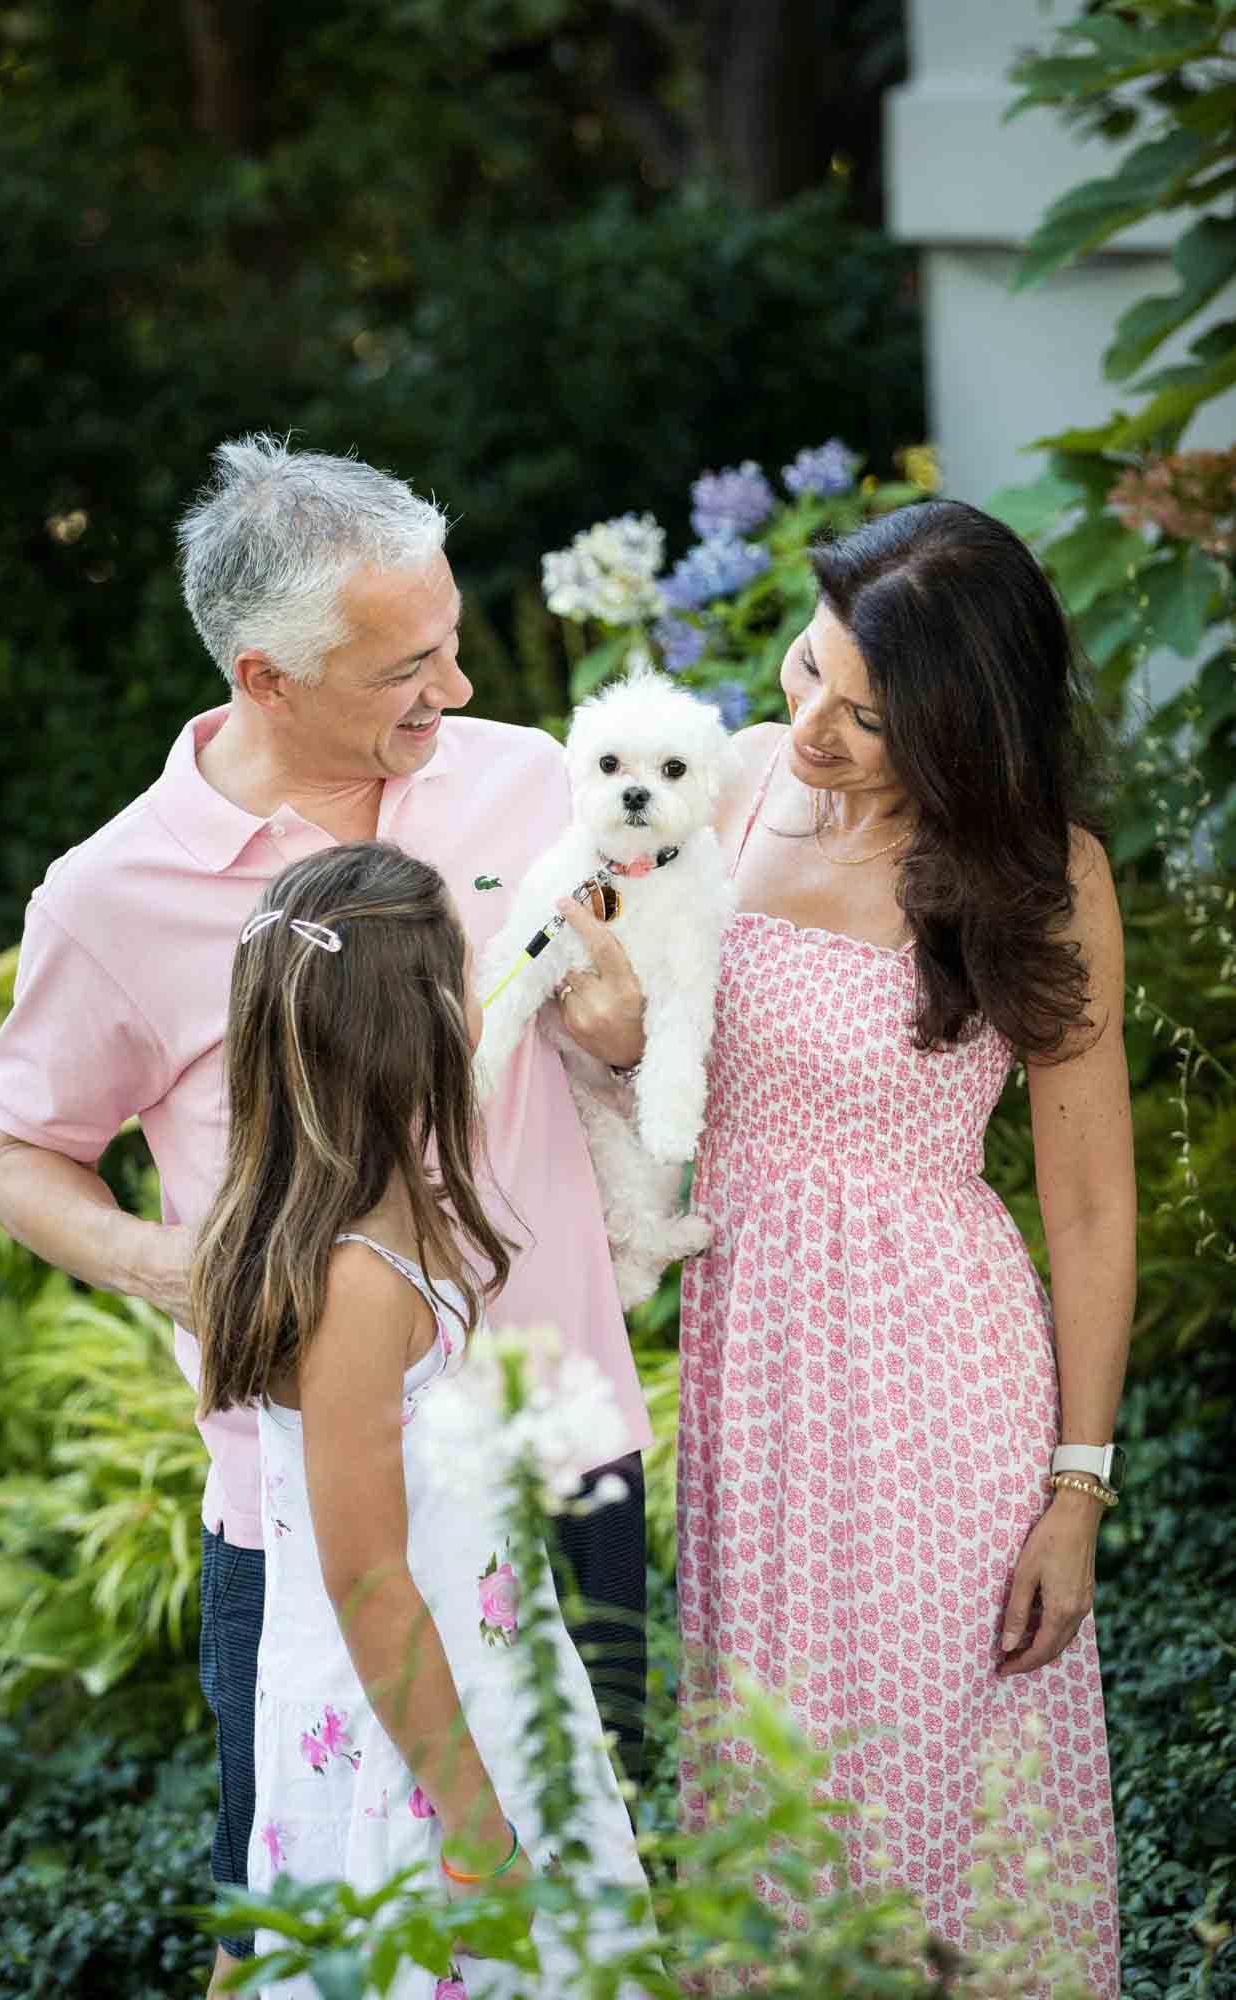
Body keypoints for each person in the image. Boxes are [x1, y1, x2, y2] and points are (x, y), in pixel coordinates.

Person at [0, 436, 651, 1995]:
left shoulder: (534, 783)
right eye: (404, 669)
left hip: (561, 1452)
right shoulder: (108, 897)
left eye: (455, 645)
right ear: (263, 677)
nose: (459, 694)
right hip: (302, 1509)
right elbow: (27, 1165)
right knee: (316, 1925)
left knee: (585, 1920)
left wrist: (618, 1028)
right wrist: (188, 1268)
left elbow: (626, 1039)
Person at [676, 500, 1131, 1996]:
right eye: (809, 671)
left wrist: (1076, 1490)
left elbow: (1086, 1205)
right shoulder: (726, 784)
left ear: (961, 729)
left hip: (934, 1389)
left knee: (923, 1777)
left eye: (866, 720)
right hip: (744, 1383)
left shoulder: (1043, 877)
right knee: (757, 1769)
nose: (810, 726)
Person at [192, 840, 647, 1999]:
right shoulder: (354, 1281)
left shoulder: (403, 1217)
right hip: (413, 1752)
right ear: (423, 1024)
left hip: (482, 1688)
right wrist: (480, 1829)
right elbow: (369, 1585)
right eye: (463, 967)